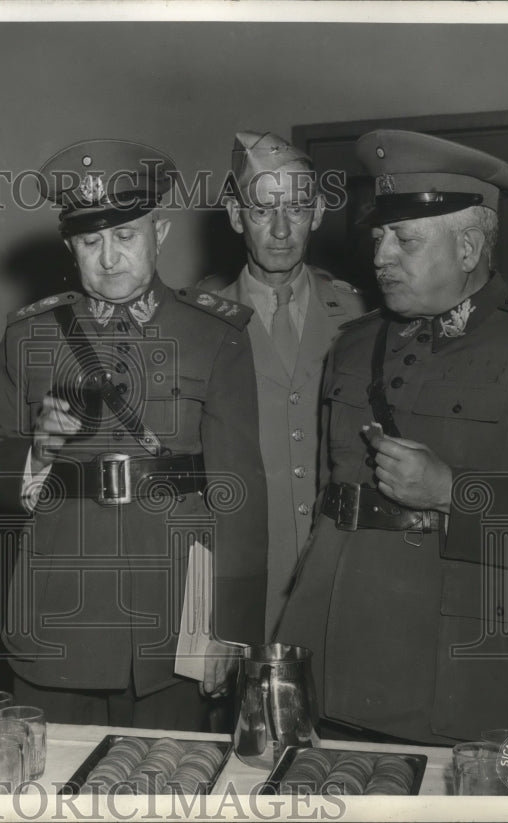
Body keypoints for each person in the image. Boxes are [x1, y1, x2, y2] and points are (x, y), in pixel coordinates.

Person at [275, 130, 508, 743]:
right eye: (379, 236)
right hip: (333, 644)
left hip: (457, 665)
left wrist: (451, 492)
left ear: (468, 247)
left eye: (404, 239)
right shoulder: (354, 344)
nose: (381, 256)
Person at [0, 139, 269, 730]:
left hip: (176, 621)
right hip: (56, 618)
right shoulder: (28, 336)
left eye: (125, 236)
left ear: (160, 232)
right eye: (89, 241)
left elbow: (241, 492)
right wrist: (35, 454)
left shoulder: (215, 335)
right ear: (69, 246)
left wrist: (231, 627)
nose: (108, 259)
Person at [202, 132, 366, 639]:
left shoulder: (357, 315)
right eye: (260, 211)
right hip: (241, 575)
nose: (278, 230)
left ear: (317, 213)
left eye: (295, 209)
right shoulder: (201, 324)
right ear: (234, 216)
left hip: (335, 571)